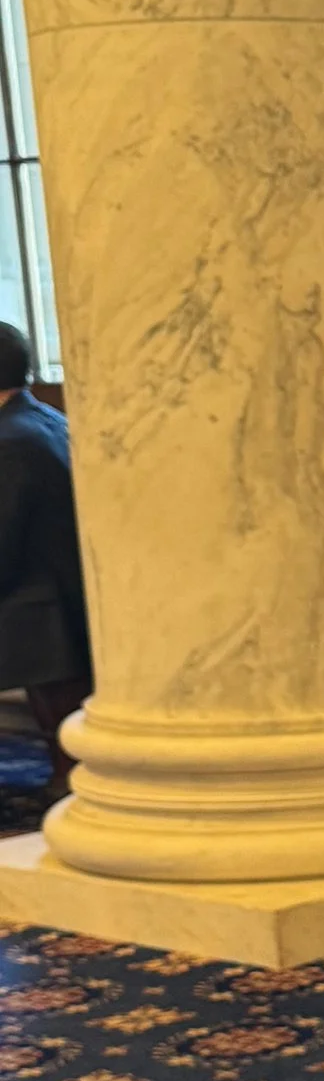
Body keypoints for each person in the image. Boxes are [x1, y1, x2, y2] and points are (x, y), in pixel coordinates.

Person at [0, 323, 91, 798]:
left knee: (69, 752)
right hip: (66, 605)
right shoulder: (46, 419)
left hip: (40, 619)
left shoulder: (8, 443)